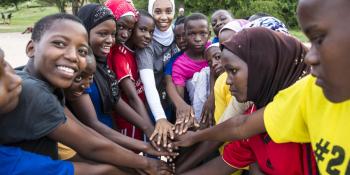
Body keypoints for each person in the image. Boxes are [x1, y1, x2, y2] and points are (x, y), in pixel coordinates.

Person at [0, 13, 171, 175]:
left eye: (81, 51)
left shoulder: (41, 82)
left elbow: (84, 131)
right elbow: (90, 146)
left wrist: (146, 149)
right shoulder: (35, 93)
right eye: (59, 43)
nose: (73, 56)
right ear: (31, 48)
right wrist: (147, 163)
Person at [178, 27, 317, 175]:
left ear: (262, 66)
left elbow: (239, 126)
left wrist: (195, 137)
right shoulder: (254, 114)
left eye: (233, 71)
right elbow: (221, 165)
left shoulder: (306, 103)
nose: (228, 81)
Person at [74, 4, 174, 157]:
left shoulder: (102, 63)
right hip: (91, 146)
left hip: (109, 136)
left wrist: (149, 130)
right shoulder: (79, 70)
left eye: (112, 34)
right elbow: (92, 123)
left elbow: (115, 100)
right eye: (103, 33)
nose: (110, 40)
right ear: (83, 31)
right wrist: (145, 148)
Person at [106, 2, 155, 141]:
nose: (148, 36)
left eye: (151, 32)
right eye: (143, 30)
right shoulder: (120, 55)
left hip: (139, 115)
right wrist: (151, 131)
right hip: (129, 119)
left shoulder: (136, 52)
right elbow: (132, 97)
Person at [136, 0, 178, 147]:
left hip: (171, 101)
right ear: (150, 11)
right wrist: (160, 117)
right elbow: (148, 84)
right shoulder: (146, 42)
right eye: (158, 11)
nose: (164, 17)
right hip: (149, 104)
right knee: (155, 143)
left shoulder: (178, 34)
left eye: (168, 11)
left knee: (173, 142)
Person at [172, 13, 210, 121]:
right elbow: (179, 100)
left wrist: (211, 99)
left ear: (209, 34)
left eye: (203, 33)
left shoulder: (214, 50)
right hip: (197, 114)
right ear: (185, 36)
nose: (198, 39)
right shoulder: (180, 65)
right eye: (192, 34)